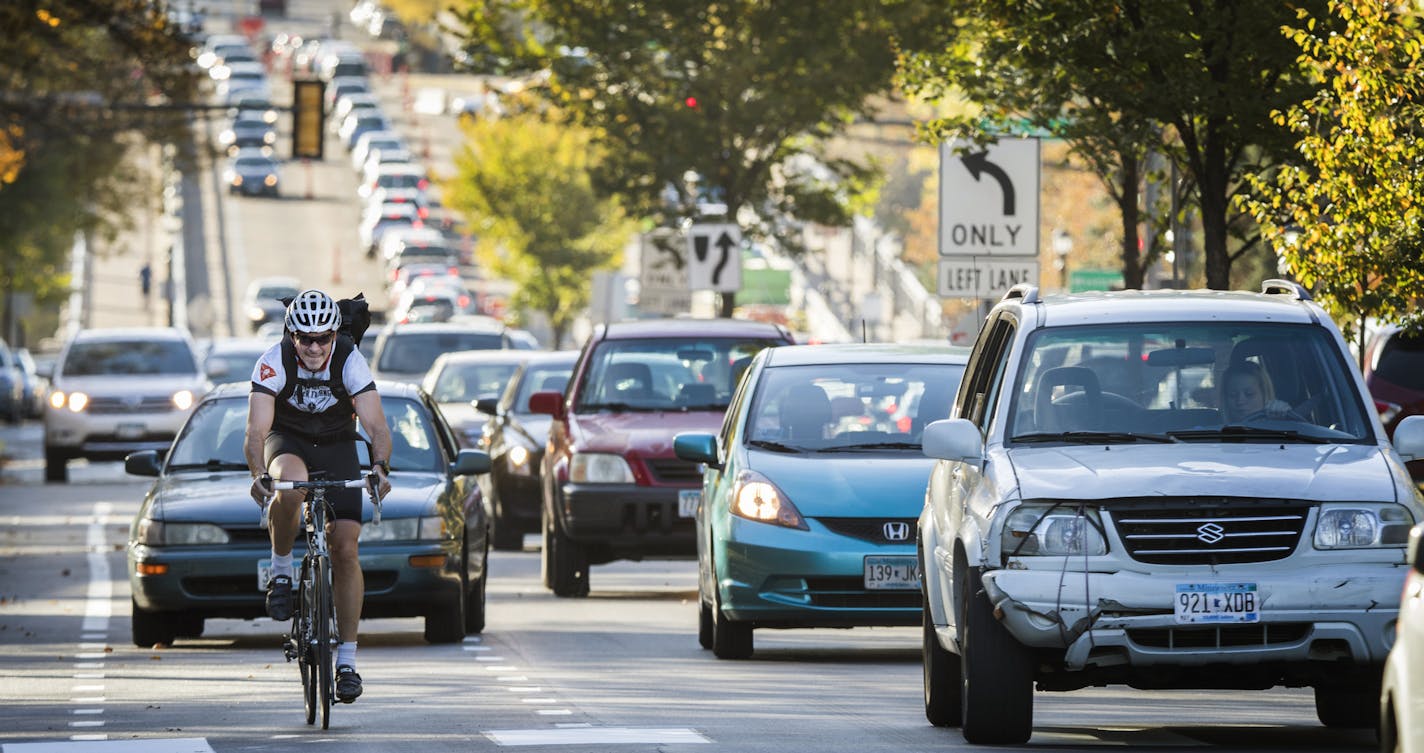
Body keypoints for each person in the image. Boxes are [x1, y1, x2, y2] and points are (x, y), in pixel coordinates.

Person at [245, 289, 392, 703]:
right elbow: (256, 432)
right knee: (293, 483)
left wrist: (379, 466)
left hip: (337, 443)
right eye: (304, 338)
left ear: (334, 336)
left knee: (345, 547)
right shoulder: (273, 362)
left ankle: (346, 661)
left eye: (322, 338)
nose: (313, 347)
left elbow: (377, 427)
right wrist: (258, 473)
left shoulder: (349, 359)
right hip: (287, 440)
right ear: (291, 334)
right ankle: (280, 572)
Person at [1221, 361, 1291, 422]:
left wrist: (1283, 419)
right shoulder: (1214, 431)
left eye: (1249, 394)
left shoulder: (1282, 428)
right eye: (1233, 395)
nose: (1240, 401)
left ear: (1265, 394)